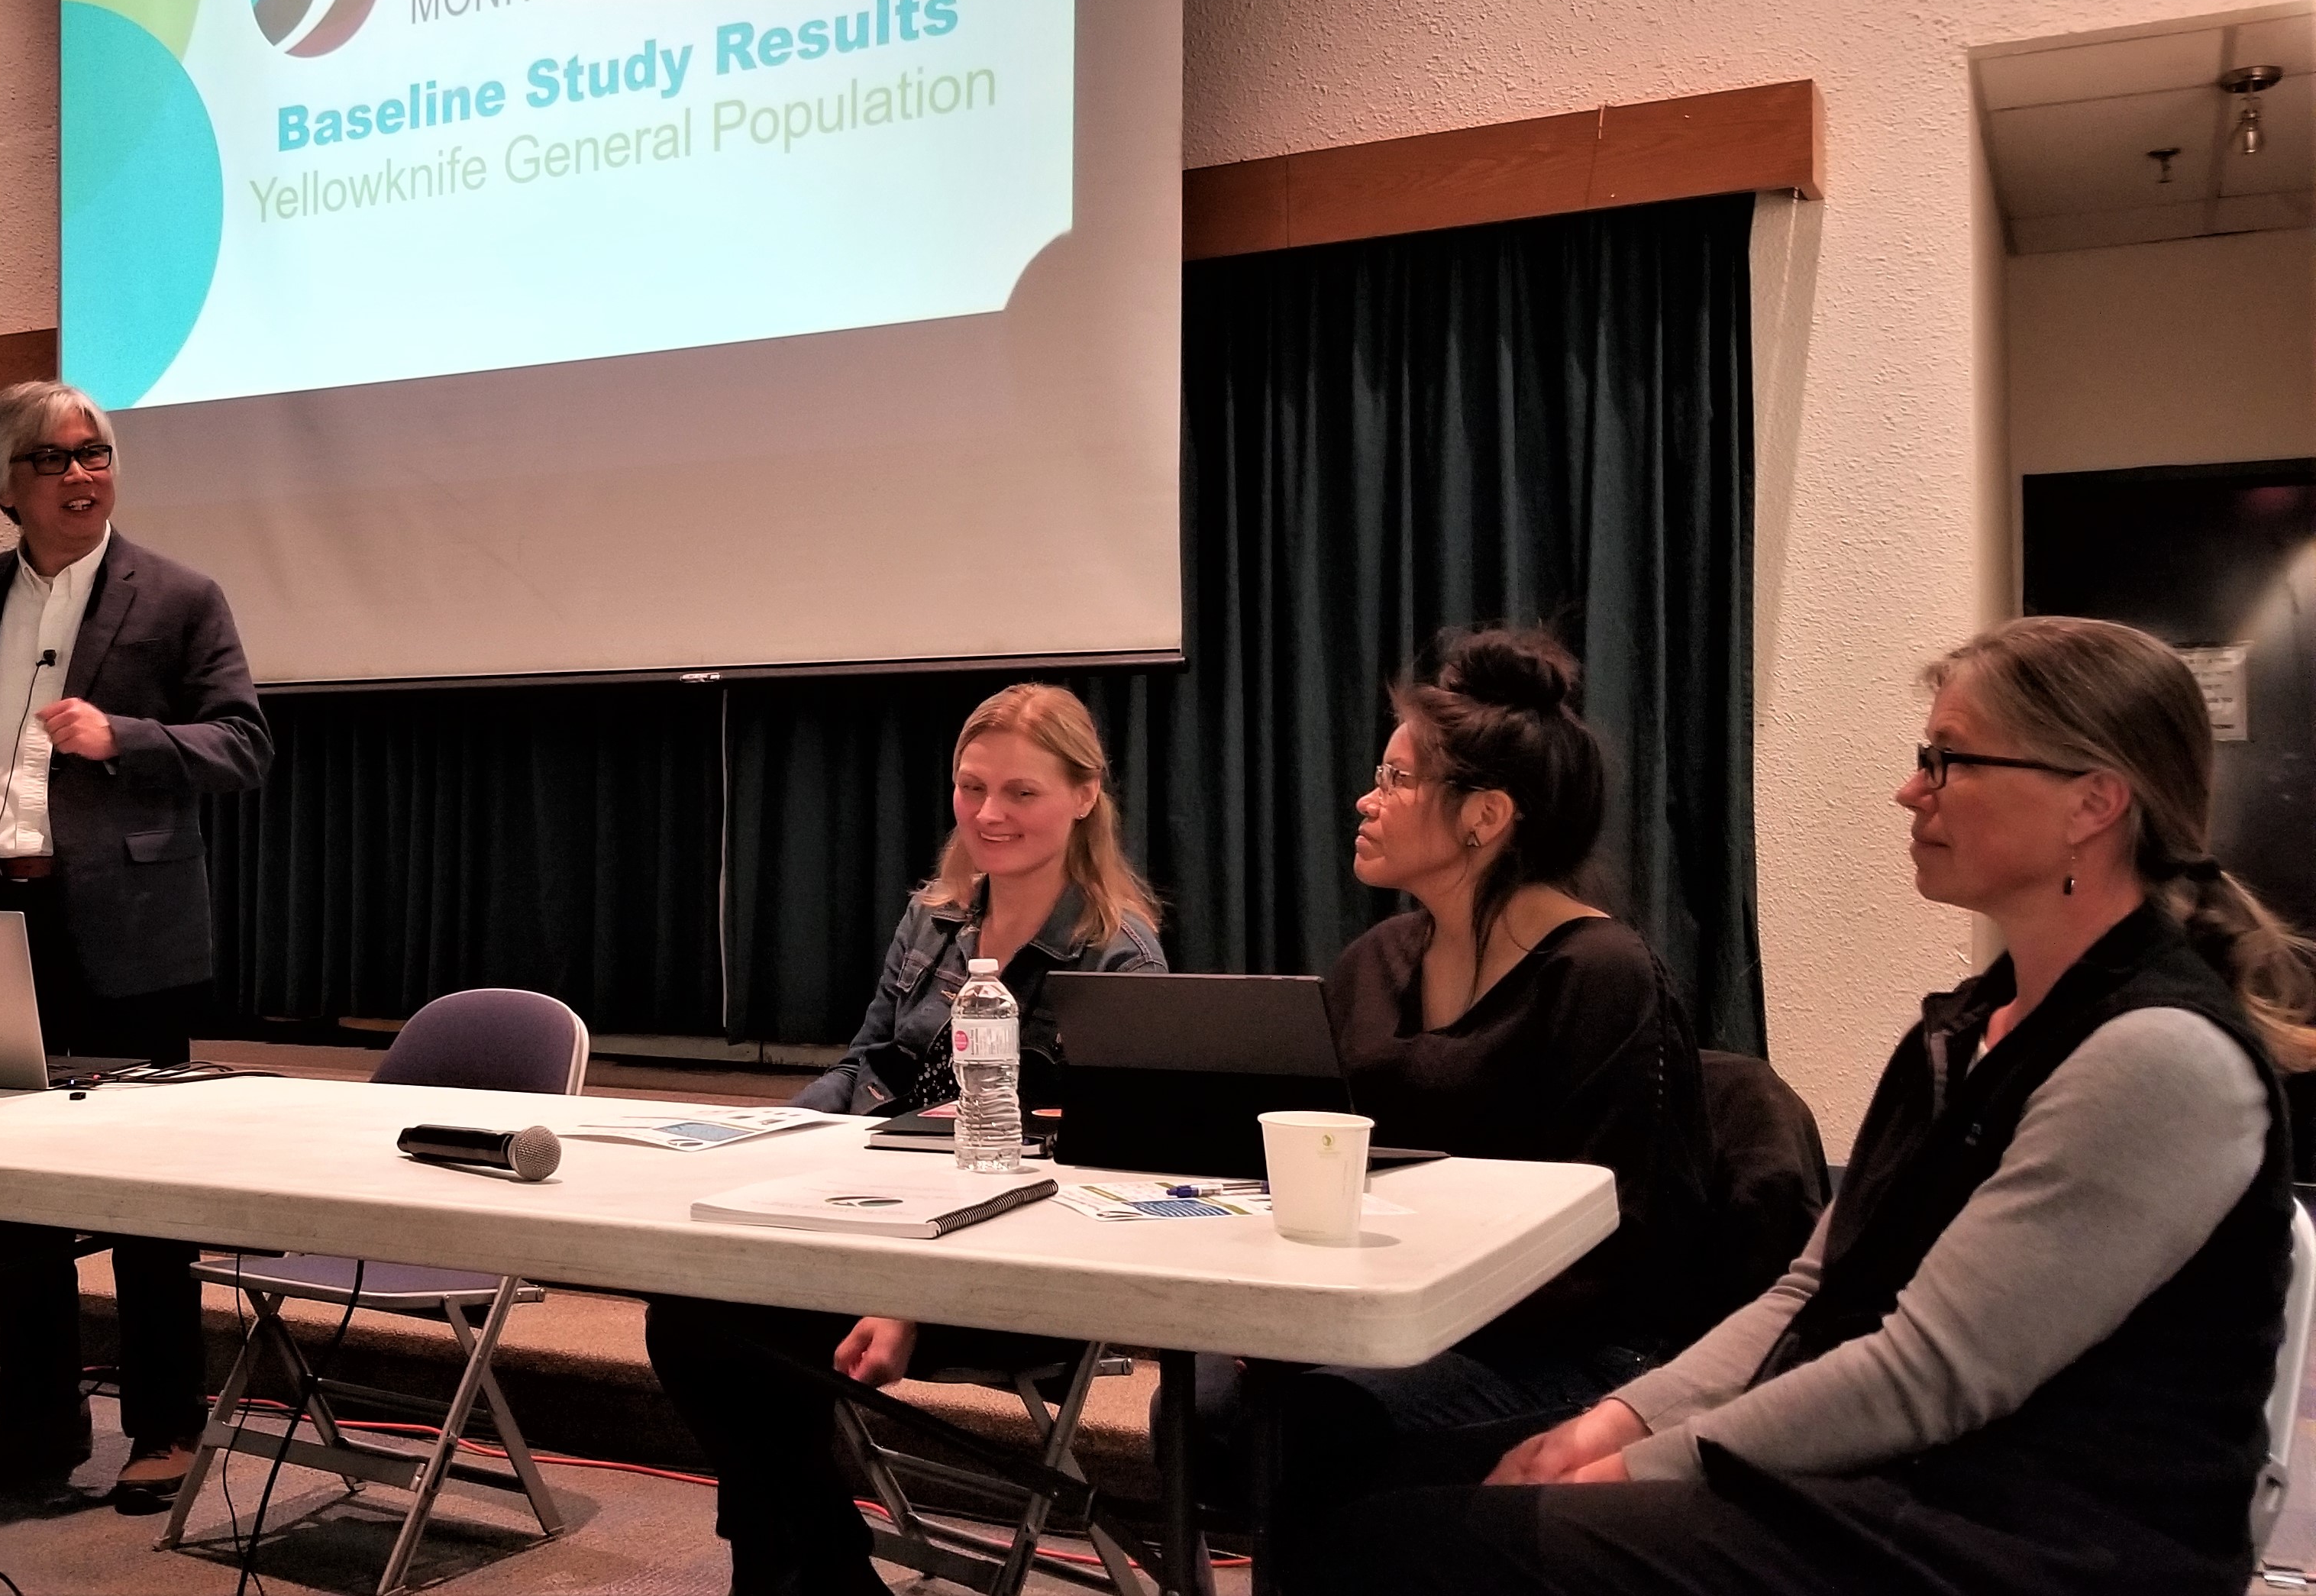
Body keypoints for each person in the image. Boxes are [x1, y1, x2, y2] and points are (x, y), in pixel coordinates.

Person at [1296, 615, 2312, 1596]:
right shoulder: (1967, 1027)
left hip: (2029, 1538)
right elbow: (1811, 1291)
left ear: (2091, 803)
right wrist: (1615, 1421)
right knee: (1353, 1481)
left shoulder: (2154, 1057)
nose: (1910, 788)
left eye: (1949, 760)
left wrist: (1642, 1467)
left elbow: (1926, 1374)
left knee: (1405, 1546)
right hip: (1914, 1478)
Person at [1187, 629, 1714, 1530]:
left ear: (1486, 816)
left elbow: (1625, 1248)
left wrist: (1378, 1319)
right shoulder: (1377, 961)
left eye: (1396, 780)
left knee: (1307, 1431)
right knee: (1197, 1409)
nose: (1366, 799)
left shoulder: (1601, 976)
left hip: (1565, 1351)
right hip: (1379, 1323)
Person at [647, 683, 1164, 1596]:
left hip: (1010, 1259)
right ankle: (813, 1564)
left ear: (1086, 796)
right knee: (689, 1312)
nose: (989, 814)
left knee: (724, 1329)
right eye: (972, 788)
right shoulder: (935, 918)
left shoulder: (1117, 953)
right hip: (873, 1217)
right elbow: (865, 1071)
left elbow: (1085, 1167)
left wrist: (908, 1294)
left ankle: (796, 1571)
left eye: (1021, 793)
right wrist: (763, 1136)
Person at [0, 381, 271, 1508]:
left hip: (124, 929)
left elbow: (243, 746)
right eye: (57, 460)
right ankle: (37, 1420)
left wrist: (123, 738)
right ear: (6, 486)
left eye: (98, 453)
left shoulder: (177, 596)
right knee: (5, 1189)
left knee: (142, 1189)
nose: (84, 475)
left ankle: (166, 1423)